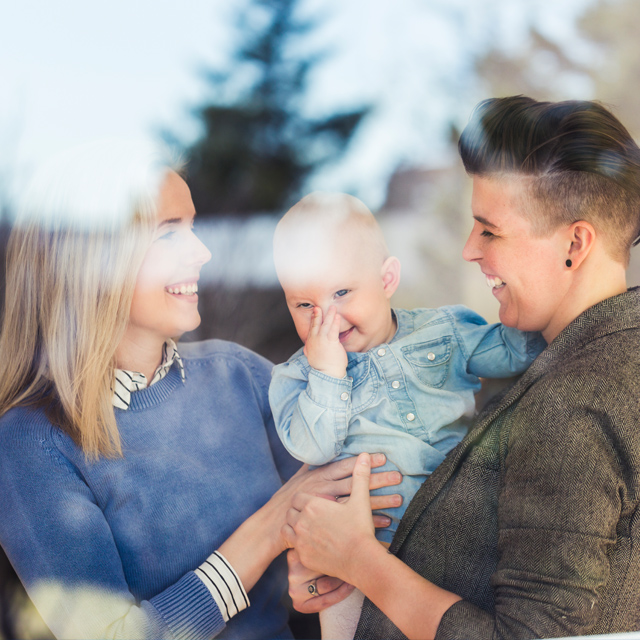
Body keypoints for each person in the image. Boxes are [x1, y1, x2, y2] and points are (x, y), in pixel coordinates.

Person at [0, 140, 400, 640]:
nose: (203, 251)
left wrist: (320, 573)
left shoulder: (241, 377)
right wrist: (270, 527)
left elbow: (367, 499)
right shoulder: (30, 444)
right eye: (169, 234)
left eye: (192, 228)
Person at [283, 95, 640, 640]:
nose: (470, 249)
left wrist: (360, 562)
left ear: (575, 242)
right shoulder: (603, 365)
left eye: (490, 229)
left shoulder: (574, 405)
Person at [269, 192, 545, 637]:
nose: (326, 318)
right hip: (353, 562)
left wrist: (537, 292)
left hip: (457, 536)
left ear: (387, 279)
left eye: (341, 292)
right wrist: (328, 375)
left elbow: (517, 353)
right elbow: (312, 445)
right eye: (304, 304)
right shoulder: (297, 378)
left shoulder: (445, 330)